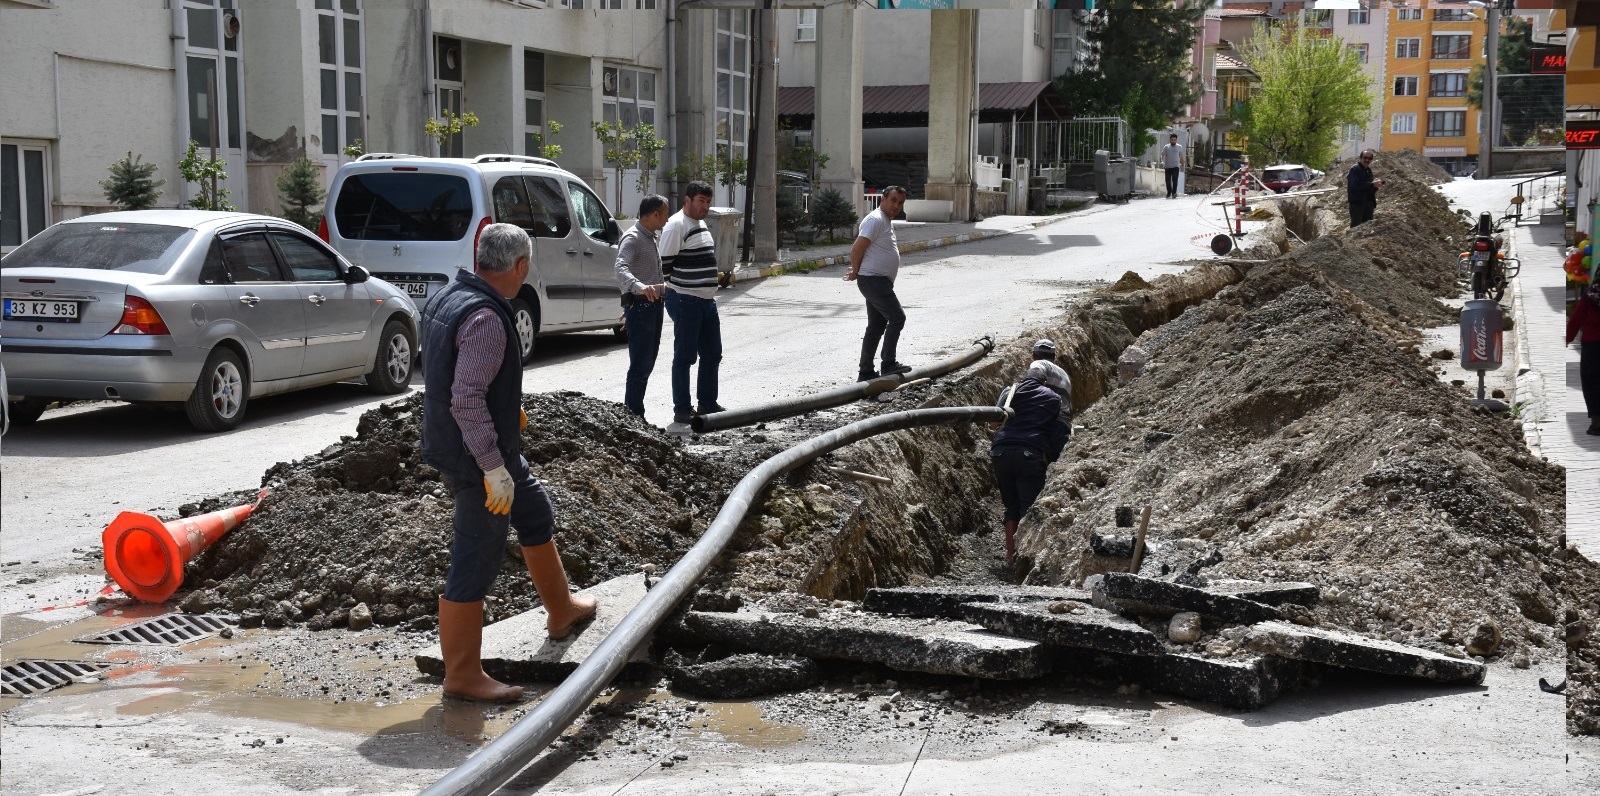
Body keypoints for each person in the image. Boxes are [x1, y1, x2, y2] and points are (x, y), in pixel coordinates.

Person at [420, 223, 598, 703]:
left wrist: (506, 413)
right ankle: (461, 674)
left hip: (482, 443)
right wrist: (492, 468)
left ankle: (561, 611)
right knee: (476, 555)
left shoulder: (450, 295)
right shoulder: (487, 319)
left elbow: (452, 374)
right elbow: (466, 398)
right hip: (477, 456)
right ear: (519, 266)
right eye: (529, 265)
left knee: (535, 511)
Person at [990, 339, 1072, 568]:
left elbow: (995, 425)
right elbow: (1058, 430)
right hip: (1030, 454)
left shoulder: (1009, 391)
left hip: (1000, 453)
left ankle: (1010, 559)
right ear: (1045, 381)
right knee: (1029, 506)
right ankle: (1026, 560)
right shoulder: (1052, 397)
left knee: (1011, 506)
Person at [660, 181, 724, 424]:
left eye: (708, 202)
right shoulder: (676, 225)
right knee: (685, 356)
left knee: (712, 354)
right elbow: (663, 266)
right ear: (687, 200)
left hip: (706, 301)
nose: (705, 206)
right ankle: (682, 408)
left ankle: (707, 403)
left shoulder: (700, 223)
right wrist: (678, 292)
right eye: (701, 201)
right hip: (686, 299)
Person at [845, 185, 912, 382]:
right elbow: (856, 249)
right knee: (898, 318)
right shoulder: (875, 220)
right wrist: (855, 271)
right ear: (883, 199)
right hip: (873, 280)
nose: (896, 206)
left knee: (876, 326)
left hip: (877, 281)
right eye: (893, 200)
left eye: (900, 203)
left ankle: (865, 371)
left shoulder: (884, 221)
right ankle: (888, 364)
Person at [615, 194, 671, 418]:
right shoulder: (633, 238)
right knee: (640, 366)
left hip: (651, 308)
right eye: (665, 214)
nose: (667, 219)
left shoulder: (649, 237)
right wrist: (638, 288)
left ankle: (634, 414)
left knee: (647, 364)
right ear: (655, 214)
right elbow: (621, 267)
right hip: (643, 309)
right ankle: (633, 416)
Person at [1568, 282, 1600, 435]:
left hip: (1592, 346)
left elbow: (1576, 318)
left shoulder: (1590, 296)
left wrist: (1568, 337)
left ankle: (1597, 422)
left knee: (1591, 382)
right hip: (1591, 345)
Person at [1347, 149, 1385, 227]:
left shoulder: (1368, 170)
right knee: (1356, 228)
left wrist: (1376, 186)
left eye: (1369, 158)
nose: (1367, 160)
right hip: (1357, 204)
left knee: (1367, 228)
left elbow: (1369, 188)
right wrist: (1371, 184)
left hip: (1368, 204)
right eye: (1365, 157)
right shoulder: (1354, 170)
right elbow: (1354, 185)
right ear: (1361, 158)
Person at [1160, 133, 1186, 200]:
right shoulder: (1166, 147)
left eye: (1174, 140)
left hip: (1175, 167)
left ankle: (1174, 193)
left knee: (1175, 180)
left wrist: (1182, 165)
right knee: (1167, 181)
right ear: (1170, 140)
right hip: (1168, 167)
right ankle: (1169, 192)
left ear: (1176, 140)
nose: (1173, 141)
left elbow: (1181, 157)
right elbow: (1162, 155)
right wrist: (1162, 161)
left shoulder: (1179, 147)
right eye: (1172, 140)